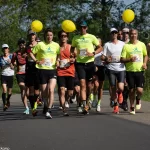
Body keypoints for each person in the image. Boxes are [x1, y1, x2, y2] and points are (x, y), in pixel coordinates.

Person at [71, 20, 103, 114]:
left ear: (86, 28)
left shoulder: (91, 37)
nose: (82, 29)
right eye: (81, 27)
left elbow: (100, 47)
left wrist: (93, 53)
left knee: (89, 86)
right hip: (80, 63)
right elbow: (72, 48)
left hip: (89, 63)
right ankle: (84, 105)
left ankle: (87, 101)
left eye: (84, 27)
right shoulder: (75, 38)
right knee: (82, 84)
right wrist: (73, 53)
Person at [32, 28, 60, 119]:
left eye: (51, 35)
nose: (49, 37)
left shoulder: (56, 45)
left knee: (51, 90)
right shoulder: (40, 44)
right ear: (45, 36)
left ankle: (48, 109)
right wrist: (36, 60)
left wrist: (58, 60)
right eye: (47, 35)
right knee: (44, 93)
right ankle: (46, 105)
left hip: (52, 70)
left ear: (53, 36)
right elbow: (31, 53)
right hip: (42, 70)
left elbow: (59, 54)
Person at [120, 29, 148, 115]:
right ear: (130, 35)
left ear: (137, 35)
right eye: (132, 34)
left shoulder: (142, 44)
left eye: (135, 34)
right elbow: (122, 59)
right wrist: (129, 59)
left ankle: (138, 98)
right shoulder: (126, 46)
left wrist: (144, 63)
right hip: (130, 71)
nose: (133, 35)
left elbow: (146, 55)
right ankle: (132, 107)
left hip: (140, 70)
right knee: (131, 90)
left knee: (139, 90)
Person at [101, 28, 125, 114]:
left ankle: (120, 93)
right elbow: (102, 57)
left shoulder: (123, 44)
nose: (114, 34)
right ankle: (116, 106)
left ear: (118, 34)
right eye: (112, 33)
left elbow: (126, 54)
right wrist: (107, 58)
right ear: (110, 34)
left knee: (121, 87)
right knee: (113, 87)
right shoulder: (107, 44)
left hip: (121, 68)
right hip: (111, 68)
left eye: (115, 33)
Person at [57, 30, 75, 116]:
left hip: (70, 71)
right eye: (61, 36)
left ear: (67, 37)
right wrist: (57, 62)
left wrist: (72, 59)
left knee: (70, 93)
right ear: (60, 38)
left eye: (65, 36)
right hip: (60, 72)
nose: (63, 37)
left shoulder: (70, 47)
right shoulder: (57, 48)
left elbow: (76, 57)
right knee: (62, 90)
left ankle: (67, 100)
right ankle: (64, 110)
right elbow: (56, 59)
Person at [11, 38, 29, 114]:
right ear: (18, 45)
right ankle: (26, 107)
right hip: (19, 73)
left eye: (23, 43)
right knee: (22, 87)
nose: (21, 45)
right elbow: (12, 62)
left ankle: (30, 101)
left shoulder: (28, 52)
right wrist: (12, 66)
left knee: (27, 92)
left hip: (27, 73)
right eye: (20, 43)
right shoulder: (15, 53)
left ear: (25, 44)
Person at [25, 29, 40, 116]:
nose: (32, 36)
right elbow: (30, 54)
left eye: (33, 35)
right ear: (28, 36)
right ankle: (33, 108)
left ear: (35, 36)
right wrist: (36, 60)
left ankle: (35, 105)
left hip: (38, 68)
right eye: (30, 35)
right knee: (31, 90)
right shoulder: (27, 46)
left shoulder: (39, 45)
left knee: (37, 90)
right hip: (30, 67)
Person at [0, 44, 14, 111]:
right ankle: (5, 104)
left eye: (6, 48)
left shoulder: (12, 56)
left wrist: (10, 63)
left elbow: (13, 67)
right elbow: (1, 68)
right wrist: (2, 66)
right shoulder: (0, 57)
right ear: (2, 50)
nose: (5, 49)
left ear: (8, 49)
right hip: (3, 75)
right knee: (4, 90)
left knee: (9, 92)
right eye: (4, 48)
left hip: (10, 75)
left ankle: (8, 100)